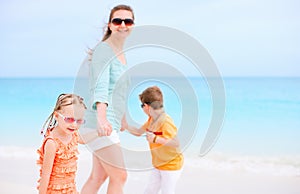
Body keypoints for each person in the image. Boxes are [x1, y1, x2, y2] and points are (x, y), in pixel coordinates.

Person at [79, 4, 135, 194]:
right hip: (100, 121)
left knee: (98, 177)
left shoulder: (121, 54)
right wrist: (102, 119)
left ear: (132, 25)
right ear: (110, 25)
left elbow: (119, 91)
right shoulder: (105, 50)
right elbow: (101, 86)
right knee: (120, 176)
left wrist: (124, 119)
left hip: (109, 121)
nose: (122, 24)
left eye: (127, 21)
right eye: (117, 20)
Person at [124, 86, 184, 194]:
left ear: (146, 106)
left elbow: (176, 143)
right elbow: (138, 132)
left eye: (142, 105)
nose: (142, 108)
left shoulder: (165, 121)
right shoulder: (152, 120)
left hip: (171, 166)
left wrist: (156, 139)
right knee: (150, 191)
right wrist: (126, 127)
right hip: (158, 165)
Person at [37, 93, 100, 194]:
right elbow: (45, 176)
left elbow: (83, 140)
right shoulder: (52, 143)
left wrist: (98, 132)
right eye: (69, 119)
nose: (74, 125)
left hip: (70, 190)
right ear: (57, 116)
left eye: (79, 121)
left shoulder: (73, 134)